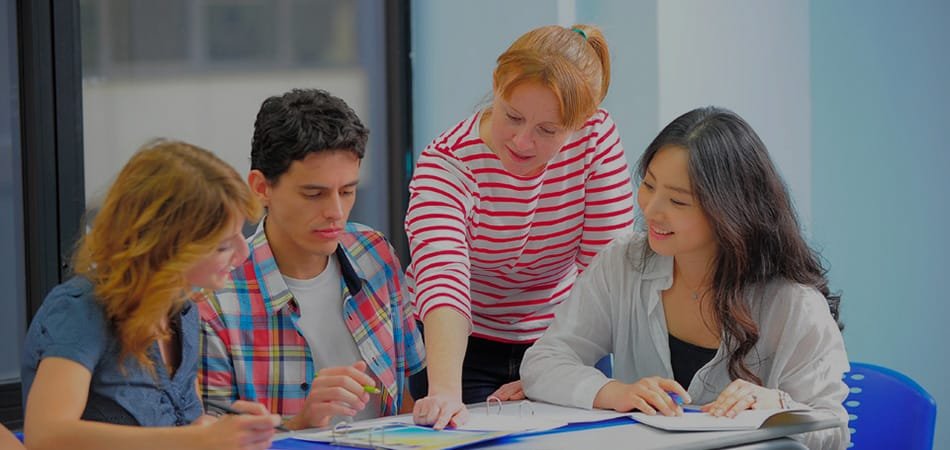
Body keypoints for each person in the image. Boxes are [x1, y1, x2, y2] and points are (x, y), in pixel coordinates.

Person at [521, 106, 850, 449]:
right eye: (648, 185)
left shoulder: (793, 305)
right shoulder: (623, 262)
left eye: (678, 201)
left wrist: (778, 406)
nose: (651, 210)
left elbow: (834, 433)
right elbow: (544, 361)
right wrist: (615, 392)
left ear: (730, 211)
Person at [406, 24, 635, 429]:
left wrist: (552, 369)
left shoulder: (596, 140)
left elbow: (605, 273)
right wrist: (444, 393)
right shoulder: (448, 163)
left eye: (548, 131)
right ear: (497, 85)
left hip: (564, 335)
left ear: (582, 122)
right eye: (512, 116)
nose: (523, 141)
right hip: (460, 345)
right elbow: (443, 280)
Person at [21, 140, 280, 450]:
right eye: (223, 245)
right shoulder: (79, 311)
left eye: (241, 233)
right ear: (167, 249)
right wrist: (195, 439)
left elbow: (181, 428)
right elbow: (46, 435)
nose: (243, 252)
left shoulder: (183, 310)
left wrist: (226, 432)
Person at [197, 88, 425, 431]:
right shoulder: (215, 299)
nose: (336, 212)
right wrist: (302, 422)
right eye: (314, 194)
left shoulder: (375, 254)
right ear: (261, 188)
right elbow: (209, 442)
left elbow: (404, 400)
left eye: (348, 191)